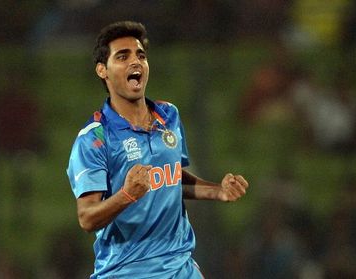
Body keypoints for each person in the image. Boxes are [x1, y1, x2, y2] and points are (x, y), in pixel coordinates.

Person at [66, 21, 249, 279]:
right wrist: (127, 195)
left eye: (141, 55)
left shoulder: (168, 115)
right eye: (122, 56)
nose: (135, 62)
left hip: (180, 266)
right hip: (126, 271)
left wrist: (217, 190)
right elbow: (86, 218)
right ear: (102, 70)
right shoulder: (94, 138)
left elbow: (172, 179)